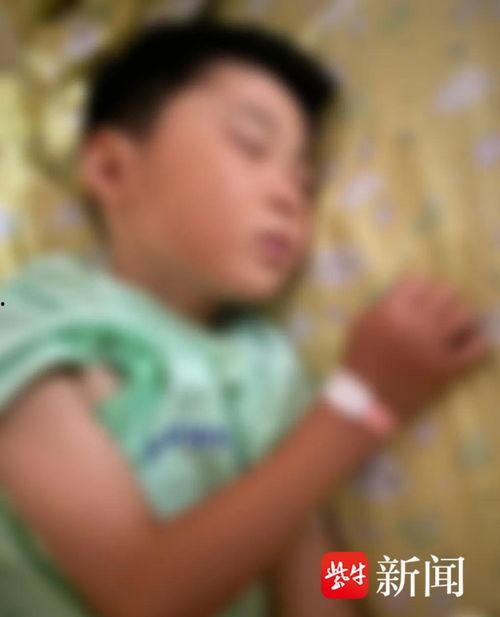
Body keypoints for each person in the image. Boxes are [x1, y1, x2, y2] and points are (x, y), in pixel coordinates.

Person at [0, 18, 490, 617]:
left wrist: (448, 577)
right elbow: (142, 590)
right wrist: (366, 399)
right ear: (111, 169)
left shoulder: (269, 365)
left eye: (305, 182)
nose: (289, 198)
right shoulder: (38, 314)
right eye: (251, 146)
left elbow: (318, 577)